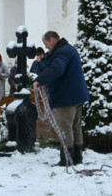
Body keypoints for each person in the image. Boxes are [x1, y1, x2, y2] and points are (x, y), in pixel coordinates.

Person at [35, 30, 90, 167]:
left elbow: (56, 69)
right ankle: (77, 158)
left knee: (65, 128)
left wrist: (40, 80)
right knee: (76, 127)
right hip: (76, 95)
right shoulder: (67, 50)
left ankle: (66, 159)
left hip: (67, 97)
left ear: (53, 39)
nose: (46, 46)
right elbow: (52, 64)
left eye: (46, 43)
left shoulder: (62, 52)